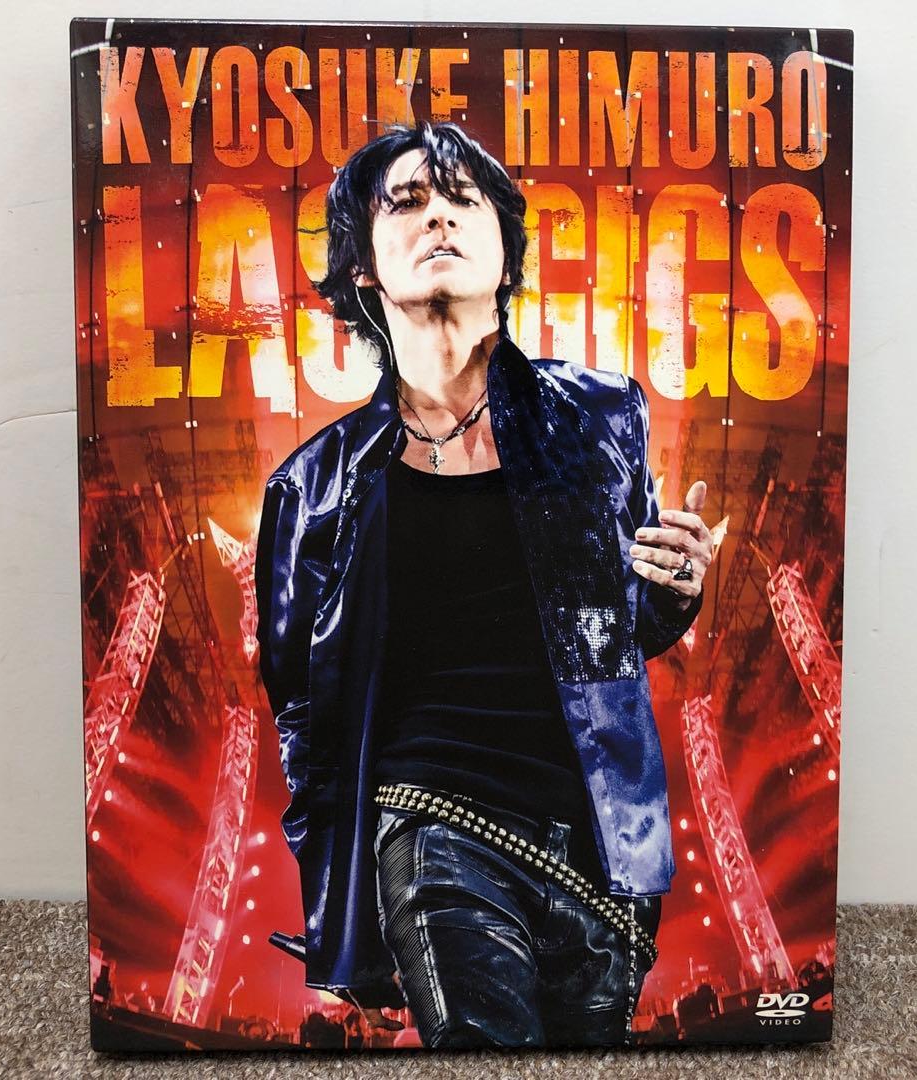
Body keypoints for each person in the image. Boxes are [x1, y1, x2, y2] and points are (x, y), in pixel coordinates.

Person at [255, 121, 714, 1049]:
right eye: (409, 201)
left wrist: (676, 589)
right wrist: (345, 903)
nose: (440, 217)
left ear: (506, 252)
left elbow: (613, 630)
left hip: (600, 843)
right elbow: (300, 712)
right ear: (364, 272)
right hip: (431, 821)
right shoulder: (310, 489)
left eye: (463, 200)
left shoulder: (601, 416)